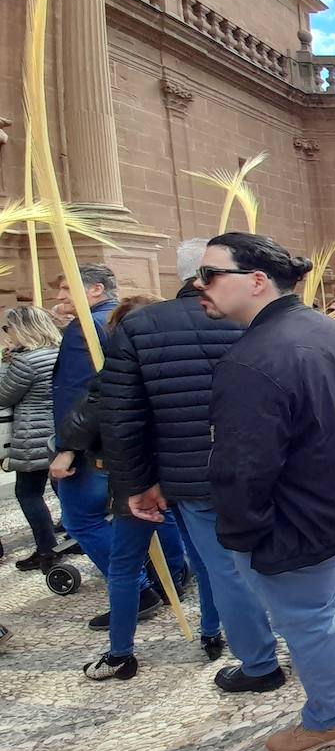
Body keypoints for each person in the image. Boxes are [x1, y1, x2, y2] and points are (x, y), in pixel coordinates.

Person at [196, 232, 335, 751]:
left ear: (255, 282)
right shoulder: (331, 330)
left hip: (300, 516)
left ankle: (330, 717)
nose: (198, 285)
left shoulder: (252, 360)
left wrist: (243, 532)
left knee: (306, 615)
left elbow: (244, 464)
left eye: (209, 274)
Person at [101, 239, 282, 693]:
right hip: (261, 464)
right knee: (286, 559)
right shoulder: (253, 319)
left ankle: (260, 662)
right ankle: (311, 644)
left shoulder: (142, 324)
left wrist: (137, 484)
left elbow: (122, 417)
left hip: (192, 475)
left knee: (224, 569)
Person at [74, 294, 219, 681]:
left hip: (137, 477)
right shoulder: (189, 356)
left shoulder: (116, 370)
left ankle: (121, 652)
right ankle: (213, 632)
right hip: (182, 471)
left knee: (124, 566)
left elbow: (100, 423)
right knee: (204, 560)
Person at [48, 265, 120, 598]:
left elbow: (77, 394)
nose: (60, 296)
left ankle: (136, 588)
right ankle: (174, 574)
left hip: (91, 445)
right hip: (122, 436)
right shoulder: (121, 317)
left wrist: (68, 448)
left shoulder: (86, 328)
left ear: (95, 290)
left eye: (66, 288)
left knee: (81, 520)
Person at [0, 306, 63, 571]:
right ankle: (70, 537)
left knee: (27, 492)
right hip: (57, 429)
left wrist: (5, 364)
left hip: (32, 435)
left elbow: (4, 396)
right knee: (63, 489)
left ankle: (46, 548)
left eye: (7, 327)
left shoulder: (26, 362)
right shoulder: (59, 352)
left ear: (21, 328)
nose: (6, 333)